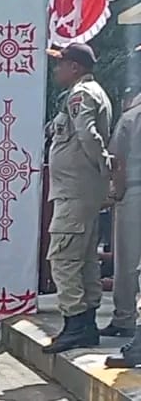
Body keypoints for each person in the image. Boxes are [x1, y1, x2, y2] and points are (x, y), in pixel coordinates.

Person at [43, 44, 113, 354]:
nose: (56, 70)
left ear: (75, 67)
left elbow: (87, 133)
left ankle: (75, 321)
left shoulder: (81, 95)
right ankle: (85, 323)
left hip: (75, 189)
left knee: (64, 258)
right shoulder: (86, 93)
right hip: (80, 189)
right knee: (84, 259)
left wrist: (101, 165)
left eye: (60, 64)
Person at [102, 90, 141, 338]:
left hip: (135, 190)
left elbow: (117, 161)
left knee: (128, 259)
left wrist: (116, 192)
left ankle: (125, 317)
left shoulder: (131, 117)